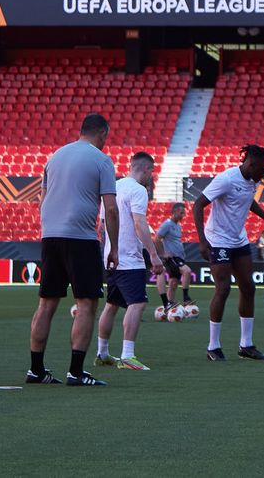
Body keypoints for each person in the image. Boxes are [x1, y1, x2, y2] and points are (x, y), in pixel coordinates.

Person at [28, 113, 119, 387]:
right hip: (80, 238)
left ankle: (36, 370)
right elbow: (111, 208)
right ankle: (76, 372)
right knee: (87, 303)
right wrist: (113, 247)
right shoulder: (101, 160)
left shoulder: (54, 156)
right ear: (102, 134)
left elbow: (42, 199)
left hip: (51, 236)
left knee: (46, 303)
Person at [194, 145, 264, 361]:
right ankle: (213, 347)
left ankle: (246, 345)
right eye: (262, 170)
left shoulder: (251, 181)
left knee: (248, 287)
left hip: (238, 239)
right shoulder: (226, 179)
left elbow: (247, 201)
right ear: (250, 164)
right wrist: (203, 241)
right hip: (218, 240)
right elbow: (198, 205)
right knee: (223, 288)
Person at [95, 152, 166, 371]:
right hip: (130, 259)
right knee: (137, 303)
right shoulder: (138, 190)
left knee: (112, 304)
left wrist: (108, 250)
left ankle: (102, 353)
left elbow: (101, 226)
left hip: (112, 257)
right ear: (145, 169)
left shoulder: (113, 188)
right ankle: (127, 356)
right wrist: (153, 255)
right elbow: (139, 223)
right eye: (151, 172)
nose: (151, 176)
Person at [154, 202, 197, 313]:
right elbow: (157, 238)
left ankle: (168, 308)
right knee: (187, 271)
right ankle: (186, 298)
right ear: (174, 212)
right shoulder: (167, 224)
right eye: (181, 213)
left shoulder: (178, 226)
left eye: (184, 213)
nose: (183, 215)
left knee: (173, 283)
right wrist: (163, 253)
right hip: (173, 258)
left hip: (180, 257)